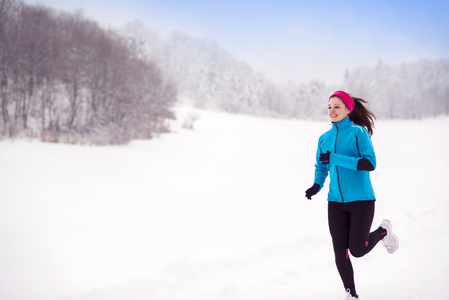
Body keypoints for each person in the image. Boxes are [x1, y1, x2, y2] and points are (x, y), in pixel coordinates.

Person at [305, 91, 399, 299]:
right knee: (340, 252)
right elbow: (321, 166)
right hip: (335, 202)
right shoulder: (324, 138)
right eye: (329, 107)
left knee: (357, 250)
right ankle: (351, 294)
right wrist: (316, 185)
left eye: (337, 106)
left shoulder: (359, 133)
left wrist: (336, 158)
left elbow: (369, 163)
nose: (332, 110)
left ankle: (383, 232)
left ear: (348, 109)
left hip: (362, 201)